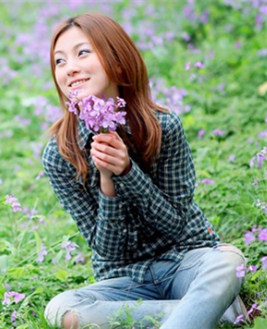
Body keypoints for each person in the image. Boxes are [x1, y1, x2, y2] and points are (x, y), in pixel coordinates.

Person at [42, 12, 248, 329]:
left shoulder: (164, 127)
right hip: (125, 282)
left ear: (119, 61)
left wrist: (128, 172)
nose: (69, 68)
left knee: (229, 261)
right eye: (59, 61)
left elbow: (178, 227)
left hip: (185, 263)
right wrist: (108, 182)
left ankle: (198, 310)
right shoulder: (60, 154)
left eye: (82, 52)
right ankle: (210, 313)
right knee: (61, 309)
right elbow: (108, 251)